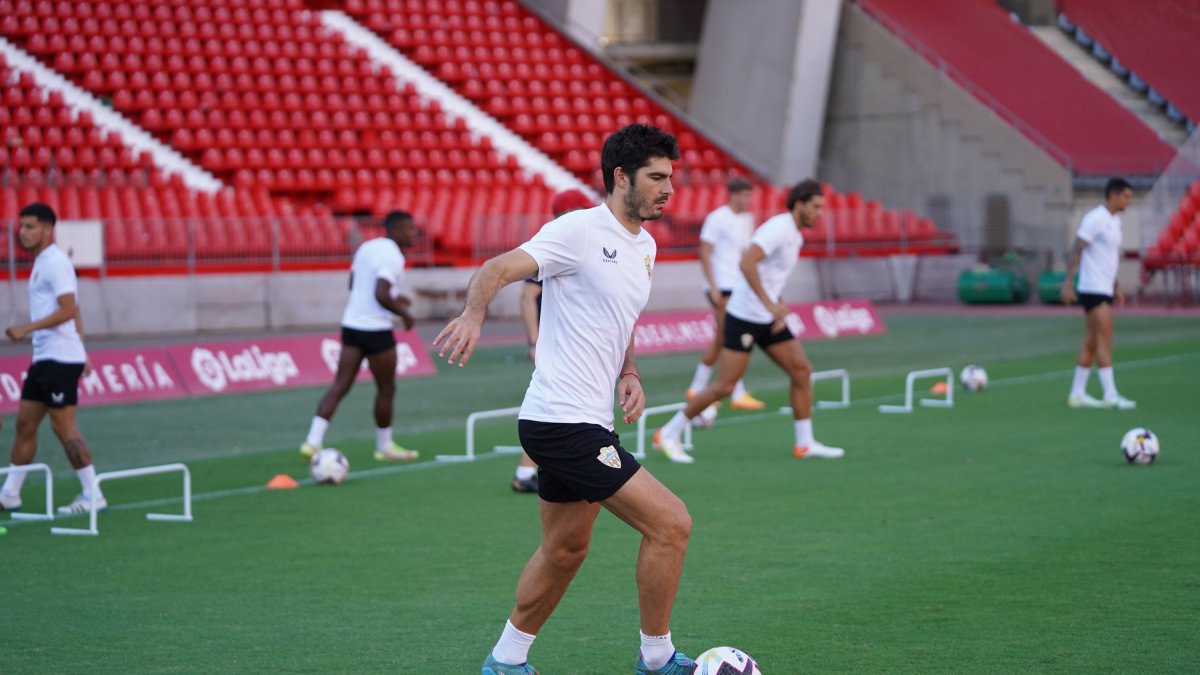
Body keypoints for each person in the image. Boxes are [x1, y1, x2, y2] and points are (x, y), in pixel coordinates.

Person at [434, 124, 697, 675]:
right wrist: (474, 314)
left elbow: (620, 314)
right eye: (656, 177)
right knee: (671, 524)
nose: (668, 188)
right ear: (620, 177)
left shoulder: (645, 245)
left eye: (670, 177)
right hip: (561, 422)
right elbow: (496, 269)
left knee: (564, 552)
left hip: (582, 421)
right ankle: (658, 660)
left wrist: (629, 369)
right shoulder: (577, 230)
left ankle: (505, 661)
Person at [654, 180, 845, 463]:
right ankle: (668, 433)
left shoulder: (795, 234)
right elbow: (747, 262)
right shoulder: (779, 228)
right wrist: (769, 304)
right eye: (816, 207)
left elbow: (771, 277)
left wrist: (776, 305)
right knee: (724, 387)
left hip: (767, 319)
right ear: (800, 203)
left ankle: (805, 443)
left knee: (802, 371)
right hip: (743, 317)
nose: (820, 213)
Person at [0, 202, 108, 515]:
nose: (23, 232)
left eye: (30, 227)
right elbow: (74, 309)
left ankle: (93, 494)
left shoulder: (55, 262)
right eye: (21, 226)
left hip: (59, 358)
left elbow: (66, 308)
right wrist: (82, 349)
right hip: (47, 357)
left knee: (64, 428)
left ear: (47, 229)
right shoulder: (42, 262)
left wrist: (27, 328)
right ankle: (10, 493)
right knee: (24, 424)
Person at [300, 210, 422, 462]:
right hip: (376, 330)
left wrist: (396, 298)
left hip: (352, 325)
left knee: (341, 384)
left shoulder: (367, 248)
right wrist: (405, 314)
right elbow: (380, 293)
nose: (414, 233)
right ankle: (385, 447)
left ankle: (312, 442)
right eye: (410, 228)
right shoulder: (393, 256)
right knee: (386, 388)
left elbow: (356, 284)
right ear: (396, 229)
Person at [512, 188, 596, 494]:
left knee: (552, 406)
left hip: (556, 338)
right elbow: (527, 295)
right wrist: (534, 342)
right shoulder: (554, 243)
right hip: (551, 341)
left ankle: (530, 469)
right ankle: (525, 471)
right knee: (551, 406)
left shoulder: (568, 241)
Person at [687, 176, 766, 411]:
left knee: (725, 337)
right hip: (722, 284)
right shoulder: (718, 218)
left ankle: (700, 387)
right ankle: (731, 391)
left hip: (737, 284)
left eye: (750, 195)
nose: (748, 200)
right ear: (733, 195)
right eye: (745, 195)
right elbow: (705, 251)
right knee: (728, 336)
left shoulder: (746, 220)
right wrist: (712, 285)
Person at [1061, 177, 1136, 410]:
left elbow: (1108, 256)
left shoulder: (1114, 221)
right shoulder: (1095, 218)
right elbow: (1077, 247)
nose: (1128, 202)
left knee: (1092, 342)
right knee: (1105, 338)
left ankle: (1077, 393)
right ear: (1113, 195)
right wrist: (1068, 282)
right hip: (1092, 288)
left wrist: (1115, 285)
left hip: (1104, 286)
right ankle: (1111, 395)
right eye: (1126, 197)